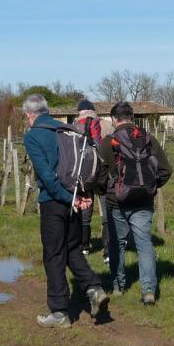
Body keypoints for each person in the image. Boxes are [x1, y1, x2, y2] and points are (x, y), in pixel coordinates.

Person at [21, 94, 106, 328]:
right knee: (72, 249)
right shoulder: (68, 129)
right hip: (76, 197)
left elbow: (47, 177)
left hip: (56, 201)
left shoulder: (33, 136)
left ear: (29, 115)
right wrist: (81, 197)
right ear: (46, 110)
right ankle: (94, 288)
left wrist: (69, 199)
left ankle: (59, 312)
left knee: (53, 254)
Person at [96, 101, 172, 305]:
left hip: (116, 202)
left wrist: (105, 193)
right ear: (133, 117)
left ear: (113, 120)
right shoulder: (148, 139)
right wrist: (151, 187)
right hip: (143, 201)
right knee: (144, 243)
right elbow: (166, 170)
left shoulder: (108, 142)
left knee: (117, 243)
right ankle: (148, 291)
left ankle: (118, 286)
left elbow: (100, 177)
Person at [73, 99, 110, 255]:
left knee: (85, 209)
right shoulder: (106, 125)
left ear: (79, 111)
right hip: (104, 173)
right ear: (94, 111)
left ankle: (85, 246)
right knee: (106, 212)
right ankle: (108, 251)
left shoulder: (74, 127)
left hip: (84, 174)